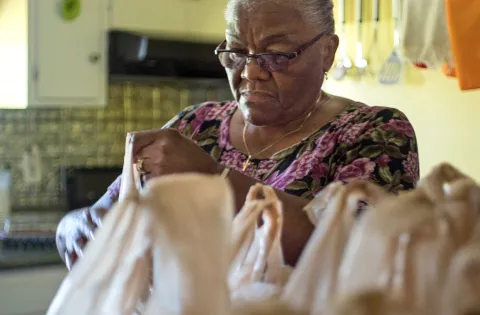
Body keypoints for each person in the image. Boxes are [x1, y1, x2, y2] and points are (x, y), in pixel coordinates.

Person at [56, 0, 419, 269]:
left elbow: (363, 254)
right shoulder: (195, 126)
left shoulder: (374, 132)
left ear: (327, 52)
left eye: (277, 54)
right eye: (236, 52)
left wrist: (214, 178)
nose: (249, 73)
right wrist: (75, 227)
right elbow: (102, 212)